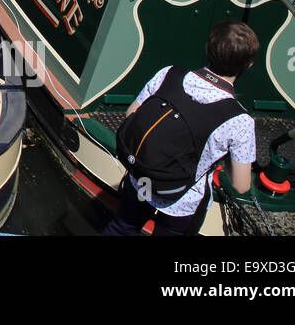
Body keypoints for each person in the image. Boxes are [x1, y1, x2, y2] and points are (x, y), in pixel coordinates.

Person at [103, 20, 257, 236]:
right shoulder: (240, 121)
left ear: (207, 48)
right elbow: (241, 185)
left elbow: (132, 114)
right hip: (182, 200)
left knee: (121, 228)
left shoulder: (169, 74)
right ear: (248, 65)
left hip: (141, 179)